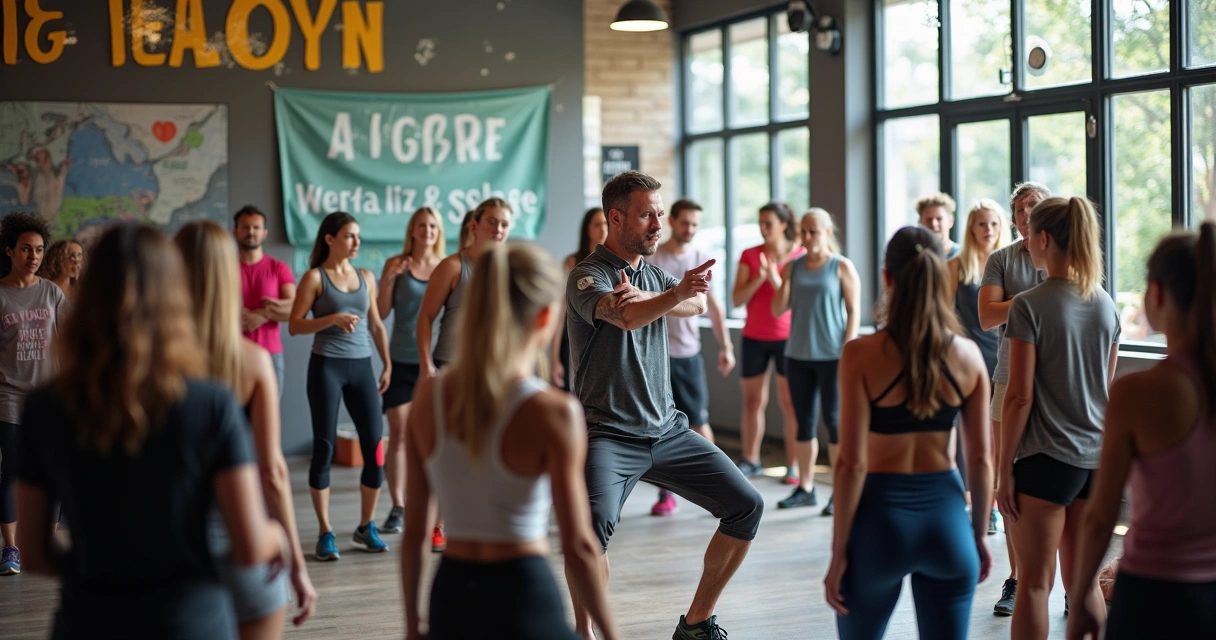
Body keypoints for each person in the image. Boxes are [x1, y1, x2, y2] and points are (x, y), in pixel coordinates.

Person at [15, 223, 286, 639]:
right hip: (192, 622)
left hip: (88, 621)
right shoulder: (212, 403)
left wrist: (98, 566)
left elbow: (32, 553)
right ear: (174, 294)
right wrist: (280, 537)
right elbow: (250, 545)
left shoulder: (44, 408)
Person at [566, 171, 763, 640]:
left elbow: (695, 305)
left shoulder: (652, 275)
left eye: (659, 212)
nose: (659, 223)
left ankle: (696, 625)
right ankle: (584, 632)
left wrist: (666, 295)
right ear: (616, 218)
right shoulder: (586, 276)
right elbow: (627, 317)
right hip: (608, 433)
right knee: (589, 532)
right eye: (647, 214)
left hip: (668, 431)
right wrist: (670, 296)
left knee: (747, 506)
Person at [401, 243, 621, 640]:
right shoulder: (555, 412)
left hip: (452, 592)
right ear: (544, 317)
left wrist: (411, 626)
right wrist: (610, 634)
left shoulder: (427, 400)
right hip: (523, 595)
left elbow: (415, 533)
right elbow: (579, 546)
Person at [824, 226, 993, 640]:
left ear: (887, 277)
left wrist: (838, 551)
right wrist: (978, 536)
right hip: (948, 525)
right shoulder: (968, 355)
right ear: (943, 276)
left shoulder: (860, 355)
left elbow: (850, 462)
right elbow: (980, 460)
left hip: (880, 523)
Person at [1067, 223, 1216, 640]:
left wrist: (1081, 599)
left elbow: (1101, 516)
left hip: (1154, 594)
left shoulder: (1138, 392)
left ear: (1158, 294)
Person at [175, 221, 318, 636]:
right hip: (243, 543)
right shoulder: (251, 362)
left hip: (165, 554)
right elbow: (272, 472)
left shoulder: (142, 361)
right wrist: (296, 563)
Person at [996, 196, 1120, 640]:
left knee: (1033, 584)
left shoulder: (1029, 305)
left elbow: (1019, 397)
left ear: (1044, 238)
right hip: (1095, 462)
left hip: (1045, 460)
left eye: (1028, 236)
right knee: (1082, 584)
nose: (1025, 245)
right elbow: (1103, 392)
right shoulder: (1106, 303)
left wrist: (1004, 470)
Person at [288, 211, 393, 561]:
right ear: (330, 239)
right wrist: (330, 319)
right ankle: (325, 531)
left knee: (375, 448)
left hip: (362, 366)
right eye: (349, 236)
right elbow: (295, 326)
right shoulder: (315, 278)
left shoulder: (366, 276)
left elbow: (376, 325)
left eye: (358, 236)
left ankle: (366, 527)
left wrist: (387, 363)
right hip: (326, 367)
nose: (356, 243)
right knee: (324, 449)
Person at [417, 198, 512, 551]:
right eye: (492, 222)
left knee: (490, 450)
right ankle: (441, 523)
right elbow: (425, 319)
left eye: (504, 223)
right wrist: (426, 365)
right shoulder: (453, 266)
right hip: (450, 370)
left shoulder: (507, 267)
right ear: (474, 225)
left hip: (493, 373)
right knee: (452, 452)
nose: (498, 229)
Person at [977, 181, 1050, 615]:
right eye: (1021, 210)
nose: (1028, 215)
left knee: (1054, 482)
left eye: (1036, 207)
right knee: (1010, 483)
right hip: (1007, 378)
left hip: (1055, 382)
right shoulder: (1001, 260)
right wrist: (1037, 298)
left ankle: (1051, 577)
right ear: (1015, 218)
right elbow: (987, 315)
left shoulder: (1070, 257)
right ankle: (1016, 576)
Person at [648, 199, 736, 516]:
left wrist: (726, 345)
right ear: (672, 221)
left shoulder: (701, 257)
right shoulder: (654, 257)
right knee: (658, 427)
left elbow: (713, 305)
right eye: (685, 223)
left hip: (689, 355)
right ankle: (665, 494)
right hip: (656, 356)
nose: (690, 229)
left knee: (699, 423)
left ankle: (721, 489)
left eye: (695, 224)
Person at [771, 209, 859, 514]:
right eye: (803, 232)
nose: (807, 237)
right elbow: (777, 310)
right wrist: (780, 279)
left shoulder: (841, 266)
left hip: (832, 356)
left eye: (813, 231)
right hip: (797, 355)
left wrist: (847, 351)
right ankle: (806, 488)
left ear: (826, 232)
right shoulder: (793, 267)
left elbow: (854, 313)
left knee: (834, 423)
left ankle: (839, 492)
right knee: (803, 423)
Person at [0, 213, 65, 576]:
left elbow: (71, 341)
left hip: (48, 401)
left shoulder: (52, 292)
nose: (34, 256)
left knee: (52, 472)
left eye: (39, 250)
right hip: (8, 398)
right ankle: (11, 550)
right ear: (9, 251)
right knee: (11, 473)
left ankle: (45, 543)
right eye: (26, 248)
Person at [377, 207, 445, 535]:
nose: (427, 230)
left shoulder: (446, 267)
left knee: (436, 437)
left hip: (437, 361)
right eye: (422, 225)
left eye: (433, 225)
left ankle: (436, 508)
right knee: (400, 433)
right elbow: (381, 310)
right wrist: (389, 278)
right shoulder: (397, 265)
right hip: (402, 360)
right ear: (413, 230)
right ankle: (398, 506)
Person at [948, 200, 1011, 535]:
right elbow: (945, 315)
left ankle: (991, 509)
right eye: (982, 224)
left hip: (1003, 356)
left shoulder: (1009, 263)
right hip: (966, 358)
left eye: (994, 224)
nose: (988, 230)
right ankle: (965, 503)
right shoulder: (957, 265)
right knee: (964, 437)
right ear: (971, 229)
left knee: (995, 439)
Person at [732, 201, 805, 482]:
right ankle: (751, 460)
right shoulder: (750, 255)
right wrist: (759, 278)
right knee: (752, 402)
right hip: (754, 337)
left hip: (789, 339)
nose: (763, 229)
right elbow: (736, 300)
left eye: (769, 224)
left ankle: (794, 465)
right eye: (760, 223)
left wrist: (775, 280)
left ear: (784, 225)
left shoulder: (800, 256)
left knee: (790, 404)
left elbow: (800, 303)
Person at [234, 205, 297, 395]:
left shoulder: (279, 268)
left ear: (265, 232)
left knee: (267, 419)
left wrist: (264, 314)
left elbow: (295, 309)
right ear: (235, 231)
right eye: (245, 227)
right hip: (231, 354)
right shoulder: (224, 266)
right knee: (232, 419)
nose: (250, 232)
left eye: (256, 227)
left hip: (271, 355)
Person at [550, 207, 607, 391]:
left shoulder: (615, 264)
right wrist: (554, 358)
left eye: (606, 224)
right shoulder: (572, 263)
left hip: (604, 341)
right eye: (598, 224)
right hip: (574, 338)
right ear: (587, 229)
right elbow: (560, 311)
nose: (603, 229)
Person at [917, 192, 960, 259]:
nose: (934, 224)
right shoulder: (913, 256)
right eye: (929, 219)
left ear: (950, 221)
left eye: (939, 219)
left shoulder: (962, 256)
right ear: (920, 222)